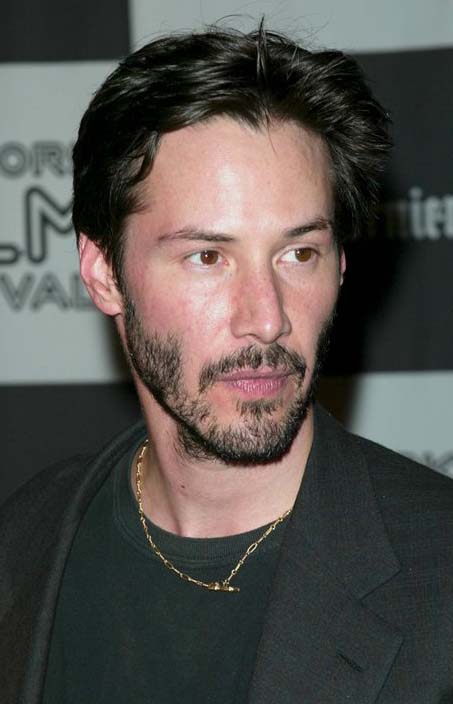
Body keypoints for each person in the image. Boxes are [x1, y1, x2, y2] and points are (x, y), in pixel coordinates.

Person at [1, 24, 453, 704]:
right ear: (104, 274)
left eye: (298, 253)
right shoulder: (23, 542)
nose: (266, 318)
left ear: (340, 265)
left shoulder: (440, 575)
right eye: (208, 256)